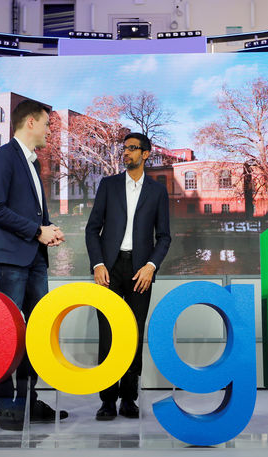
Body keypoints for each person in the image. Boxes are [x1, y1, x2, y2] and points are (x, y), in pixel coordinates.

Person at [0, 99, 68, 431]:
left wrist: (50, 229)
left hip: (33, 260)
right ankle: (5, 407)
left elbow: (31, 213)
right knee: (6, 330)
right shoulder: (3, 157)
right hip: (10, 258)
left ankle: (28, 403)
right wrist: (37, 230)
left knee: (35, 331)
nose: (50, 130)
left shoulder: (32, 164)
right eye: (47, 124)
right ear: (30, 122)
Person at [85, 132, 171, 420]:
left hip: (140, 272)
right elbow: (91, 229)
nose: (127, 153)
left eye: (133, 149)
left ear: (146, 154)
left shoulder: (158, 192)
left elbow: (165, 237)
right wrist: (97, 263)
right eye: (125, 149)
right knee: (108, 335)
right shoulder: (108, 185)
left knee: (133, 334)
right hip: (108, 269)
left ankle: (129, 399)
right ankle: (107, 401)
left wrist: (151, 266)